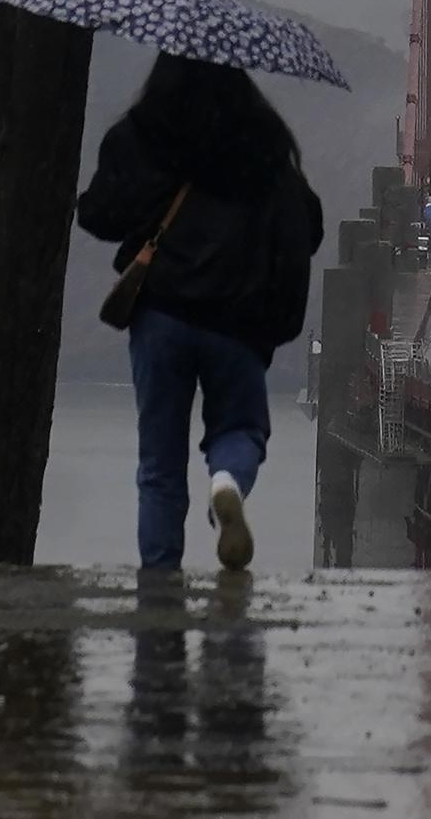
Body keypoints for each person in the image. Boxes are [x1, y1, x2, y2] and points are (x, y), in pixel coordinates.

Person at [76, 54, 325, 572]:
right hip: (238, 324)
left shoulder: (149, 132)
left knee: (158, 465)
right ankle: (227, 482)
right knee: (240, 429)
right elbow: (309, 227)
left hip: (161, 317)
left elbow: (101, 215)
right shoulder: (263, 147)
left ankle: (160, 578)